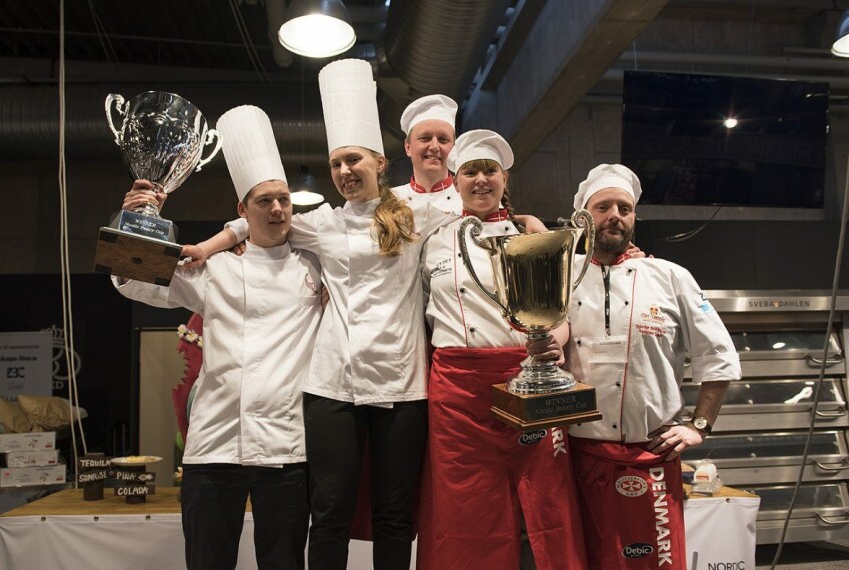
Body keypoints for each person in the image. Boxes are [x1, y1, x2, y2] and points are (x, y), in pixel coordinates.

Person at [187, 59, 454, 569]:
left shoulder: (418, 214)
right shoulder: (322, 223)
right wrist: (208, 245)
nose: (344, 172)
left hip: (403, 383)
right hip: (333, 385)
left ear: (378, 161)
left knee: (395, 515)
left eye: (353, 160)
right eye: (336, 165)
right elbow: (260, 219)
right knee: (329, 512)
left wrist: (527, 219)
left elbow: (481, 214)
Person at [113, 105, 321, 570]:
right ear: (242, 211)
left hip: (286, 446)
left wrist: (221, 237)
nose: (277, 208)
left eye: (284, 199)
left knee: (284, 562)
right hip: (213, 446)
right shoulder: (214, 269)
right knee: (207, 561)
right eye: (263, 200)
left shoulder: (315, 267)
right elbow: (132, 280)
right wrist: (135, 222)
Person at [557, 163, 741, 570]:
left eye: (624, 207)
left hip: (651, 458)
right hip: (576, 456)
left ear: (634, 217)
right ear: (584, 216)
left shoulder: (670, 276)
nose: (615, 216)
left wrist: (699, 425)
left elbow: (718, 356)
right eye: (603, 206)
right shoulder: (559, 275)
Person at [418, 129, 586, 570]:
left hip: (524, 380)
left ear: (505, 179)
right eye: (470, 171)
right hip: (456, 390)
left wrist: (555, 341)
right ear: (454, 180)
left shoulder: (532, 235)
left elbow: (559, 311)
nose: (480, 180)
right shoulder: (430, 239)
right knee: (465, 503)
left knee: (542, 496)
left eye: (489, 171)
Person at [391, 94, 461, 213]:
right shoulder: (389, 202)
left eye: (443, 139)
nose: (434, 146)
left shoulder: (470, 200)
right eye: (425, 138)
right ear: (408, 147)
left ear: (454, 148)